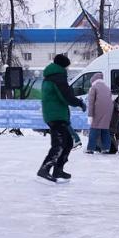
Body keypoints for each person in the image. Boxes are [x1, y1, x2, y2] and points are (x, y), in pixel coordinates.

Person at [37, 54, 85, 182]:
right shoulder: (58, 78)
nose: (68, 69)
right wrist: (79, 103)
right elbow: (66, 97)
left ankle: (58, 170)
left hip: (54, 114)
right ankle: (45, 169)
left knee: (68, 142)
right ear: (63, 66)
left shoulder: (50, 77)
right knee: (59, 144)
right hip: (56, 115)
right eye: (67, 67)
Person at [86, 72, 115, 154]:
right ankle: (106, 148)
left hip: (97, 111)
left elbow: (91, 103)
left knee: (93, 129)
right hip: (108, 111)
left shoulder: (94, 88)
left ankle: (90, 148)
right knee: (105, 129)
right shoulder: (107, 87)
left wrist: (90, 115)